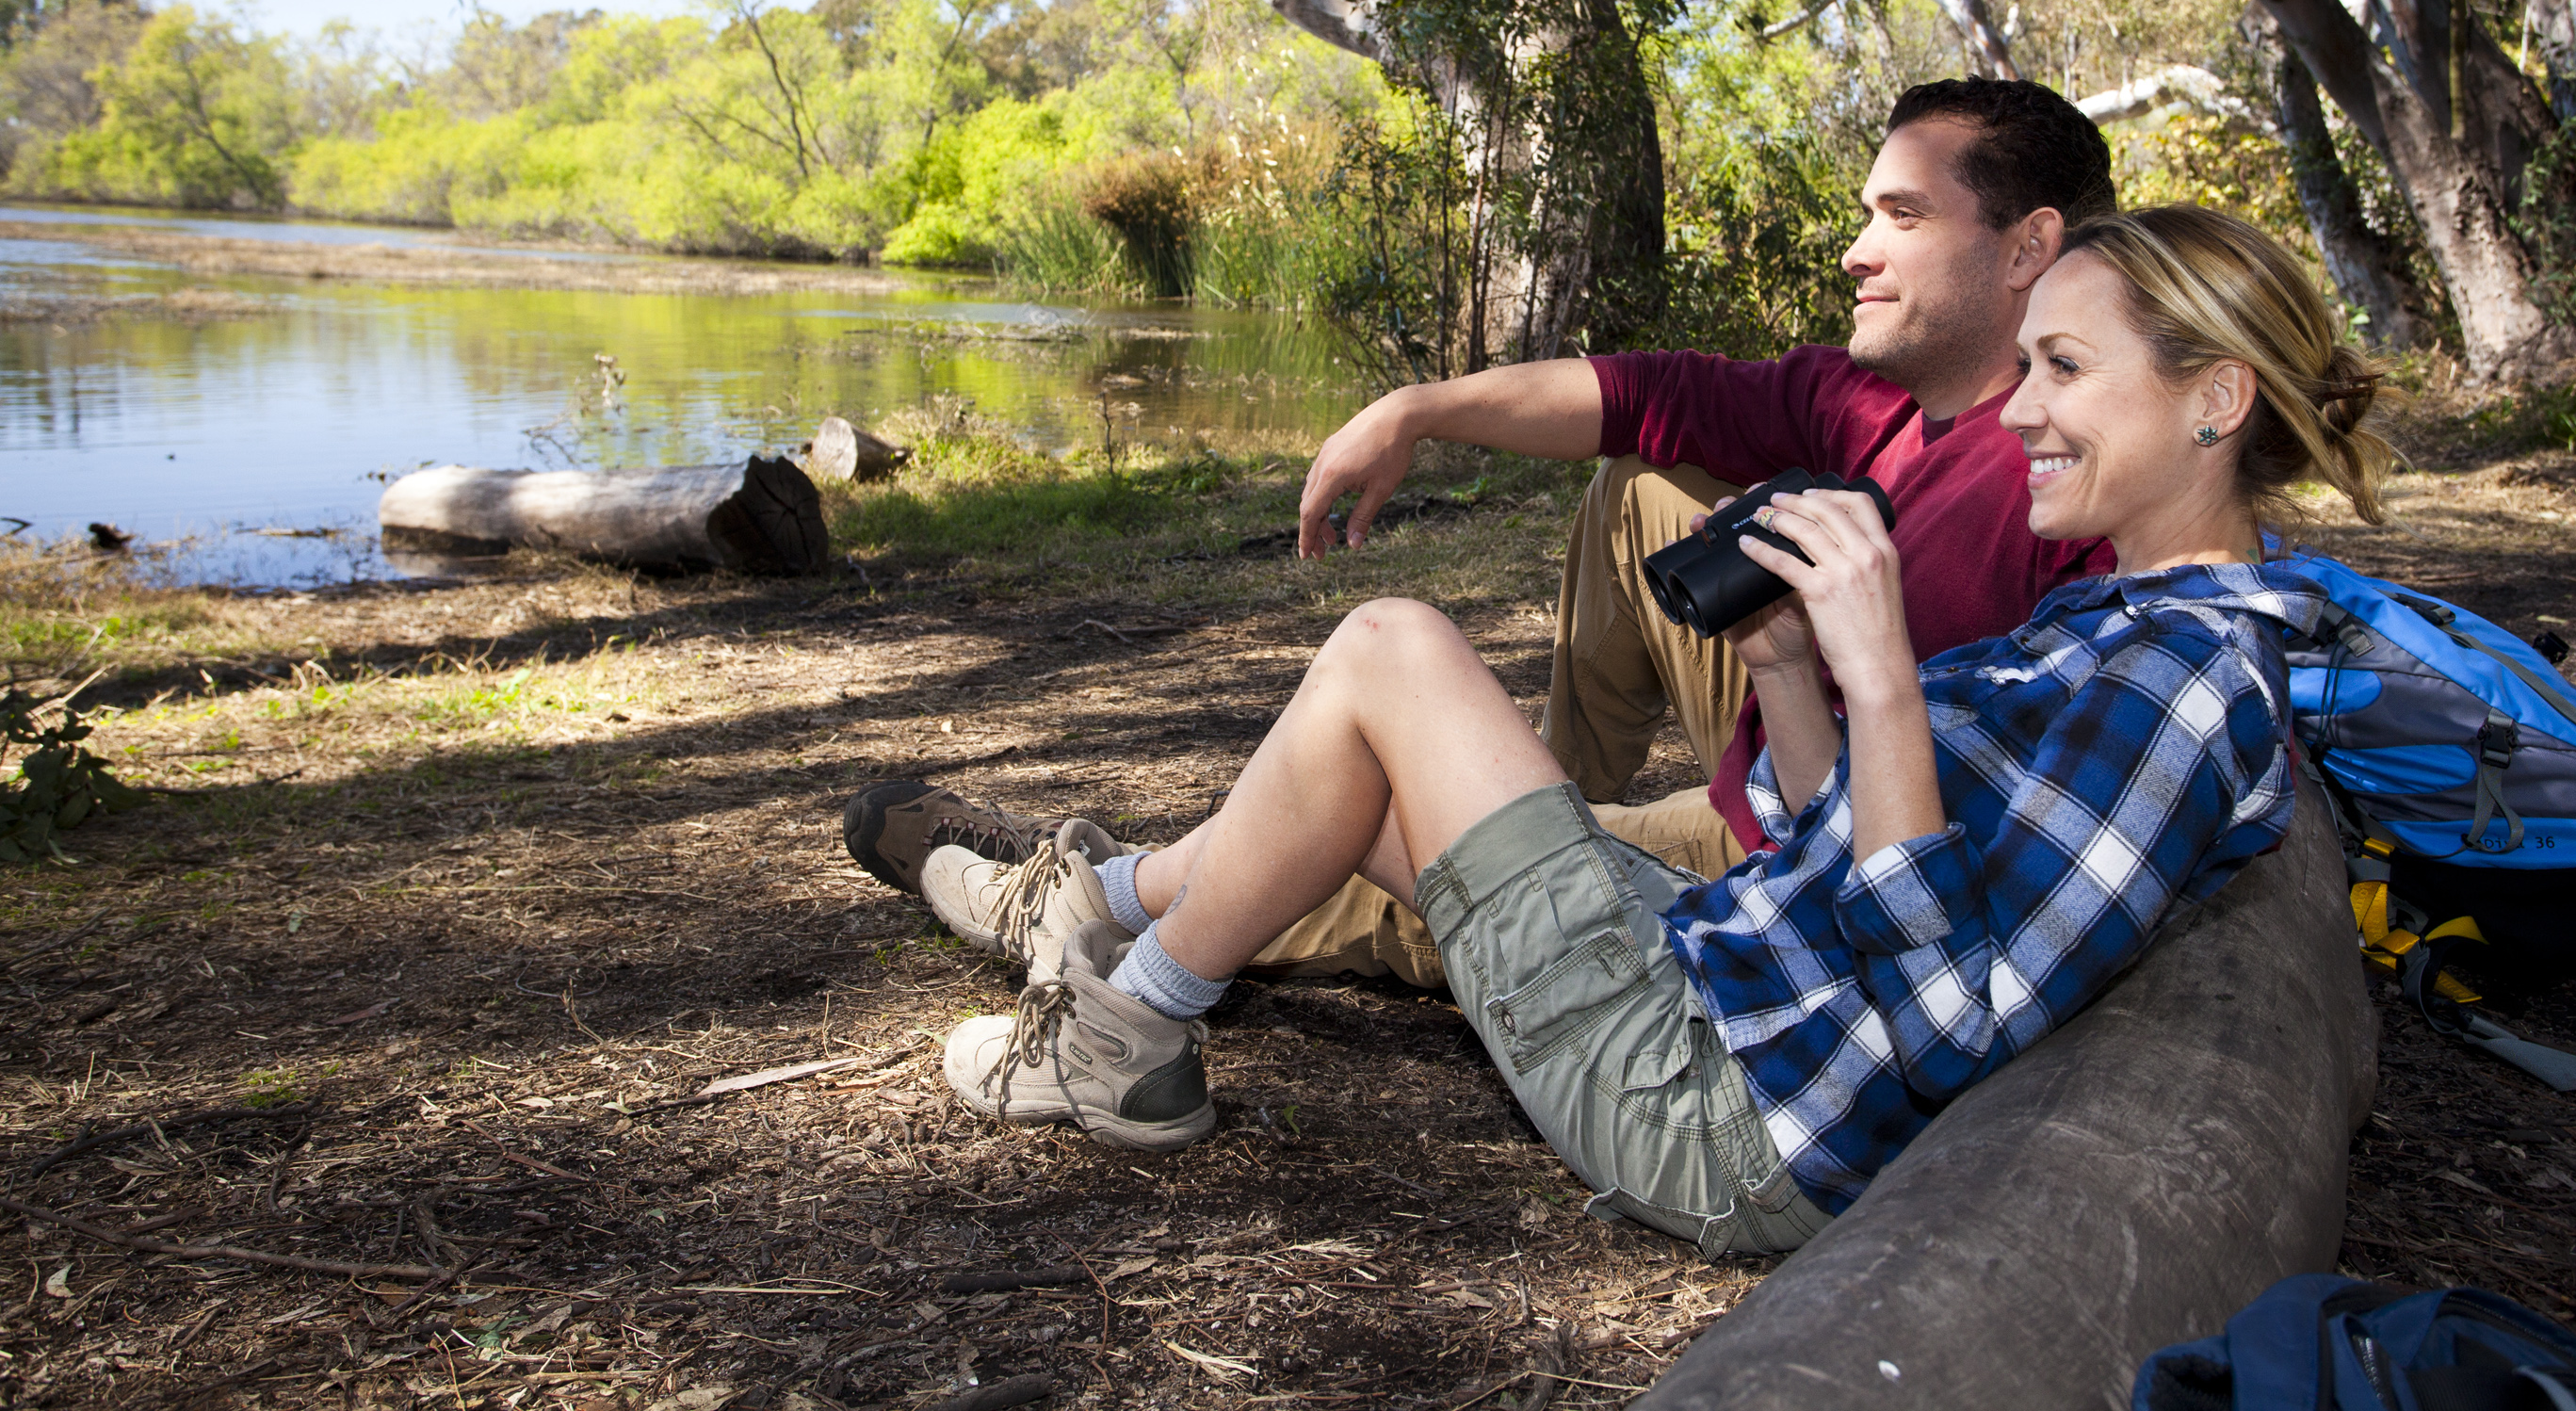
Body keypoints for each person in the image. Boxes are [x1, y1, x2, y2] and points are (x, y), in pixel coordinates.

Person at [932, 204, 2393, 1257]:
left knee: (1391, 649)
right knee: (1362, 775)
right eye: (2031, 372)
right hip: (1740, 981)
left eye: (2066, 371)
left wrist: (1884, 676)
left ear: (2217, 400)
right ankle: (1104, 916)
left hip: (1728, 1112)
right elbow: (1844, 850)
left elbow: (1952, 1026)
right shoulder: (2120, 627)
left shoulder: (2185, 685)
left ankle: (1121, 1030)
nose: (2024, 415)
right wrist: (1790, 668)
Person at [844, 76, 2122, 981]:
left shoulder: (2082, 489)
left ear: (2030, 248)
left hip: (1804, 847)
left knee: (1384, 846)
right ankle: (1555, 799)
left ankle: (1080, 903)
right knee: (1645, 483)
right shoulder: (1878, 404)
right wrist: (1419, 406)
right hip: (1790, 756)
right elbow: (1646, 393)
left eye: (1901, 217)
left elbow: (1973, 842)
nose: (1856, 249)